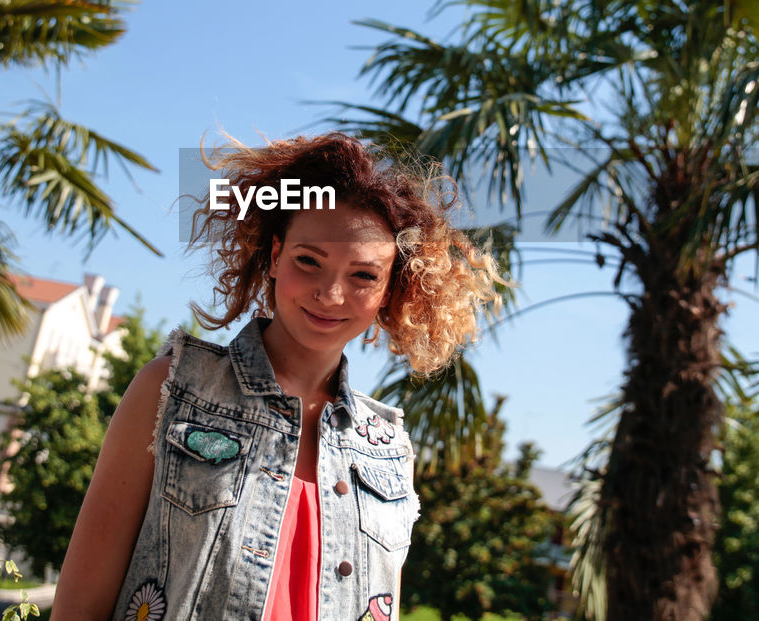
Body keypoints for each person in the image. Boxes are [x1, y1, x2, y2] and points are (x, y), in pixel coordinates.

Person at [53, 133, 501, 621]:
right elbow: (79, 605)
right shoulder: (173, 388)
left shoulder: (388, 445)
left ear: (390, 291)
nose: (331, 295)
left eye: (363, 276)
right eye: (309, 261)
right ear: (274, 255)